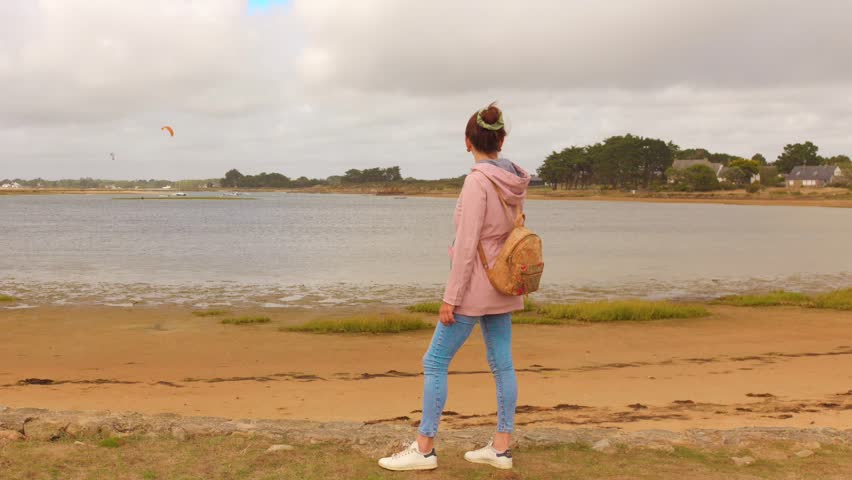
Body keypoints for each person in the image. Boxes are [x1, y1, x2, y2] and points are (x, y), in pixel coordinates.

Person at [378, 103, 531, 472]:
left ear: (467, 142)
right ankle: (501, 448)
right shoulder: (515, 179)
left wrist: (451, 297)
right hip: (504, 283)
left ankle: (425, 449)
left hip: (476, 287)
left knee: (434, 361)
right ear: (502, 139)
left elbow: (466, 245)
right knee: (502, 364)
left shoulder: (477, 180)